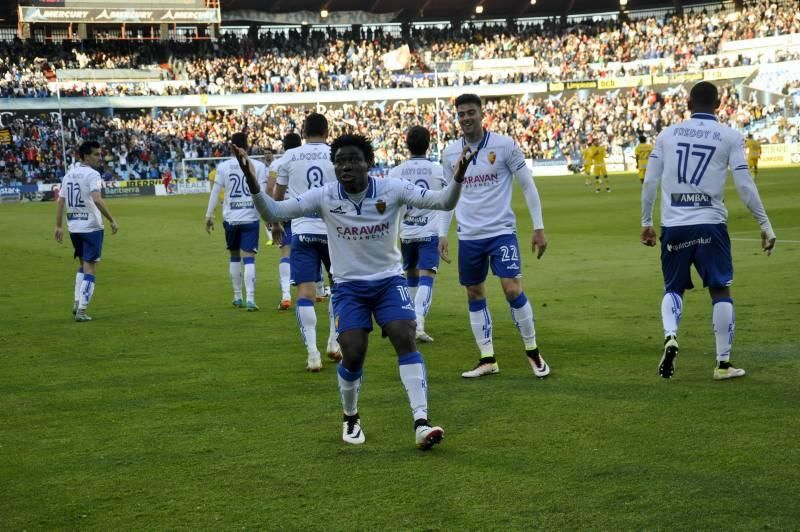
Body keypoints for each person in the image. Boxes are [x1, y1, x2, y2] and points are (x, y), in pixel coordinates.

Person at [233, 133, 471, 449]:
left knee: (404, 334)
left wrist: (458, 176)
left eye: (353, 160)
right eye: (340, 161)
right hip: (348, 287)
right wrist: (252, 180)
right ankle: (351, 416)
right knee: (354, 352)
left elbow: (444, 201)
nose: (346, 166)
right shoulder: (325, 195)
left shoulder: (392, 189)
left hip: (389, 282)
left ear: (368, 163)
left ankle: (421, 421)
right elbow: (274, 213)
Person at [641, 81, 777, 380]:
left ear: (688, 103)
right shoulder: (730, 136)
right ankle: (723, 364)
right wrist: (764, 224)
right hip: (710, 224)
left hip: (674, 225)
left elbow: (650, 181)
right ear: (718, 105)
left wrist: (646, 222)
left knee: (673, 288)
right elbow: (744, 184)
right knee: (720, 290)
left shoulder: (667, 134)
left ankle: (671, 335)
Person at [440, 93, 551, 379]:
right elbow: (447, 197)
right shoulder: (451, 153)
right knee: (474, 292)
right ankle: (487, 358)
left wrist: (538, 227)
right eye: (461, 113)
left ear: (481, 114)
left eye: (470, 112)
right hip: (469, 236)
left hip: (501, 231)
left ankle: (533, 351)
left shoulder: (504, 146)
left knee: (512, 289)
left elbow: (527, 186)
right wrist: (442, 234)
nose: (465, 118)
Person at [273, 114, 340, 370]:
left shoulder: (290, 156)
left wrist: (277, 223)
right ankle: (334, 343)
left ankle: (313, 354)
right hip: (334, 231)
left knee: (305, 292)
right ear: (326, 131)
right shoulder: (336, 153)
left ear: (303, 131)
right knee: (339, 288)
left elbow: (278, 196)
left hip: (302, 230)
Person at [388, 126, 447, 343]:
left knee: (411, 278)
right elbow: (449, 200)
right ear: (429, 144)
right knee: (427, 279)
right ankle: (418, 323)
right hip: (429, 232)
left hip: (406, 233)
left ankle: (410, 322)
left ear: (406, 145)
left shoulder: (396, 171)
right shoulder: (437, 170)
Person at [54, 140, 119, 322]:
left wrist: (58, 226)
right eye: (96, 155)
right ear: (85, 156)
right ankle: (82, 309)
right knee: (90, 269)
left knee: (83, 266)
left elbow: (61, 201)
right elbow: (97, 199)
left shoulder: (69, 174)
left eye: (100, 154)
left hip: (74, 227)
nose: (100, 158)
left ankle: (77, 302)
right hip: (91, 227)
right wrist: (112, 219)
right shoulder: (92, 174)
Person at [205, 132, 268, 311]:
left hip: (231, 219)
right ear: (247, 145)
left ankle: (237, 296)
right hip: (250, 218)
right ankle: (250, 299)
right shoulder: (259, 166)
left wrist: (208, 215)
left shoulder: (223, 167)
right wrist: (268, 218)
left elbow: (215, 193)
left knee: (234, 257)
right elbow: (262, 194)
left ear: (232, 146)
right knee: (249, 259)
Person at [268, 133, 301, 310]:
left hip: (283, 211)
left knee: (285, 252)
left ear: (284, 146)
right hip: (303, 210)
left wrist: (272, 217)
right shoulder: (303, 161)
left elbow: (269, 189)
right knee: (311, 247)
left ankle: (286, 294)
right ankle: (319, 289)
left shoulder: (277, 164)